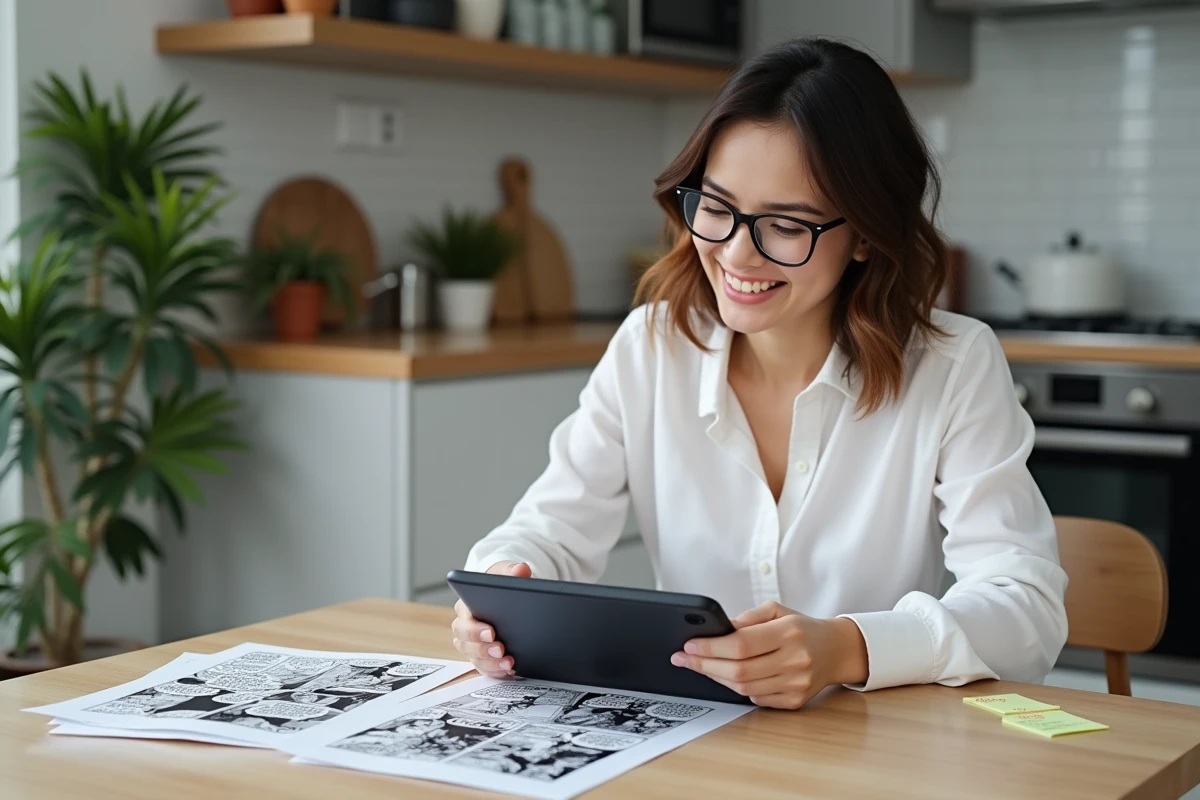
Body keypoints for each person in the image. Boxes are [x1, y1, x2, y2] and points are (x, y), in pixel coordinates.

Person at [451, 37, 1068, 710]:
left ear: (865, 235)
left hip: (881, 746)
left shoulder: (952, 366)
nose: (738, 254)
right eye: (716, 209)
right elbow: (550, 530)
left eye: (785, 224)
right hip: (698, 745)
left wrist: (848, 646)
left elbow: (1025, 609)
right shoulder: (651, 348)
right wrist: (502, 589)